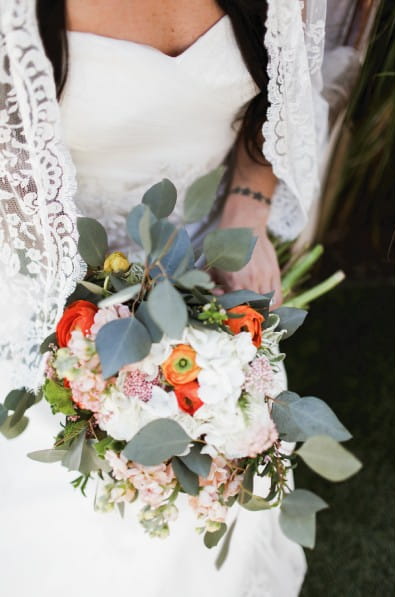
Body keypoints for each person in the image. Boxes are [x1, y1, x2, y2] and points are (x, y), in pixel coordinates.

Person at [0, 0, 328, 595]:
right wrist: (100, 324)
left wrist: (247, 212)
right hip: (53, 281)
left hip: (208, 269)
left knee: (224, 441)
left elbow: (276, 104)